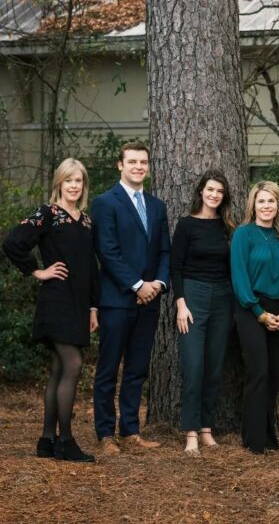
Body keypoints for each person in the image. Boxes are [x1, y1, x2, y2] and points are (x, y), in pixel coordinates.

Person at [3, 158, 99, 462]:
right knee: (73, 364)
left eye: (78, 180)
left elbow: (91, 267)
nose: (74, 185)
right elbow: (13, 242)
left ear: (84, 185)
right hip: (56, 300)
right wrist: (37, 271)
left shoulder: (86, 221)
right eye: (68, 180)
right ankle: (66, 441)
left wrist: (93, 307)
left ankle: (46, 440)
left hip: (79, 304)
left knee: (60, 368)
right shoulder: (48, 214)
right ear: (59, 183)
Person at [90, 141, 171, 455]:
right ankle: (105, 434)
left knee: (137, 369)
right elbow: (107, 251)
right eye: (133, 161)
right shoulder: (104, 203)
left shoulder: (156, 206)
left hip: (149, 302)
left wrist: (157, 284)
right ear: (120, 165)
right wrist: (137, 285)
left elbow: (164, 250)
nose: (139, 167)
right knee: (108, 369)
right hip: (117, 300)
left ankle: (130, 431)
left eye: (143, 162)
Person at [171, 170, 236, 457]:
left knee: (214, 367)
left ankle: (207, 428)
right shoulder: (186, 225)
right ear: (201, 191)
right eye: (210, 189)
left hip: (223, 297)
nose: (214, 195)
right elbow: (175, 267)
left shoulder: (228, 226)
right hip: (193, 297)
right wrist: (180, 303)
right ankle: (191, 432)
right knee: (194, 366)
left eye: (219, 191)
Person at [231, 181, 279, 454]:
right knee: (258, 370)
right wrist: (260, 314)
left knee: (272, 373)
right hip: (250, 308)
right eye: (261, 201)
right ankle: (253, 438)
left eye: (271, 201)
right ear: (253, 205)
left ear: (278, 205)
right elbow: (239, 278)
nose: (266, 206)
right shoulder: (243, 234)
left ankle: (269, 435)